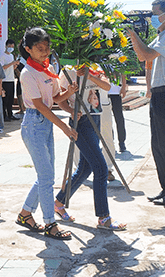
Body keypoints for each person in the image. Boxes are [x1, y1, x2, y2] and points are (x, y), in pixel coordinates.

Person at [16, 27, 79, 241]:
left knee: (46, 175)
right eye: (40, 48)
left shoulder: (48, 68)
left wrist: (69, 92)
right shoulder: (27, 73)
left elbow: (55, 97)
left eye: (47, 48)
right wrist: (64, 127)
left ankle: (25, 214)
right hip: (34, 123)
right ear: (28, 49)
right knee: (46, 177)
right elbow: (41, 106)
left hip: (46, 124)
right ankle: (50, 223)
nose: (45, 52)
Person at [54, 65, 126, 231]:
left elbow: (107, 87)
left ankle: (59, 202)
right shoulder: (68, 69)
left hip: (96, 119)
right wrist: (71, 110)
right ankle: (103, 217)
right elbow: (58, 99)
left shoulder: (96, 67)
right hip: (82, 123)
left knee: (85, 168)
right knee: (100, 168)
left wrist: (90, 76)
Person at [127, 0, 165, 206]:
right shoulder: (163, 35)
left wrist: (133, 35)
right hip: (160, 95)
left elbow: (145, 55)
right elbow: (144, 57)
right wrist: (132, 39)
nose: (152, 18)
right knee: (158, 145)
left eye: (155, 13)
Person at [0, 39, 19, 121]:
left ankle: (10, 114)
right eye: (9, 46)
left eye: (12, 47)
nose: (11, 48)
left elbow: (11, 68)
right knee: (5, 100)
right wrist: (12, 63)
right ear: (6, 46)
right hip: (5, 80)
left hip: (11, 79)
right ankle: (4, 115)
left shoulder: (11, 56)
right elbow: (2, 67)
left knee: (10, 99)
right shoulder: (2, 56)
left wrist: (15, 65)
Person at [108, 73, 128, 152]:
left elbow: (123, 73)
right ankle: (110, 142)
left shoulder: (118, 60)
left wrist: (123, 87)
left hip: (116, 92)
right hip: (104, 92)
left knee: (119, 118)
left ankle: (122, 142)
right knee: (107, 119)